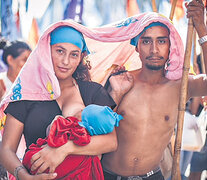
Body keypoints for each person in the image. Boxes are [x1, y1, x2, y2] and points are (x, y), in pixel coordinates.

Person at [0, 24, 132, 180]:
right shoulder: (26, 94)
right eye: (60, 51)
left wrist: (63, 149)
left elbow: (110, 141)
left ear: (81, 58)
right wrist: (23, 176)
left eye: (74, 54)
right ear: (46, 51)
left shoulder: (92, 91)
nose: (66, 61)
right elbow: (6, 149)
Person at [100, 0, 207, 179]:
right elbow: (96, 128)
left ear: (170, 47)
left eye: (161, 41)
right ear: (137, 46)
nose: (154, 49)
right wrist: (115, 93)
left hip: (153, 176)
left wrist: (202, 30)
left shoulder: (179, 87)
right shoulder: (120, 81)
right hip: (108, 175)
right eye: (147, 41)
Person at [23, 104, 123, 179]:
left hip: (43, 165)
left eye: (83, 110)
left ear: (83, 118)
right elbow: (97, 159)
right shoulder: (92, 146)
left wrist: (58, 120)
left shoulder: (70, 125)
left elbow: (51, 132)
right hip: (69, 174)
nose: (80, 110)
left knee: (31, 158)